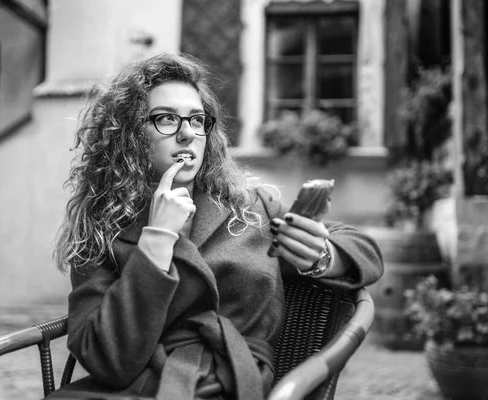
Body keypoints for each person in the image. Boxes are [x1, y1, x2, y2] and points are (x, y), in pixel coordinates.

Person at [51, 52, 383, 400]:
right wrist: (157, 239)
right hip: (138, 387)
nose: (187, 134)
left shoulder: (249, 208)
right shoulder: (100, 229)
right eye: (166, 118)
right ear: (130, 134)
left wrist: (323, 256)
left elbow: (366, 250)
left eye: (197, 120)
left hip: (233, 384)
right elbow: (107, 359)